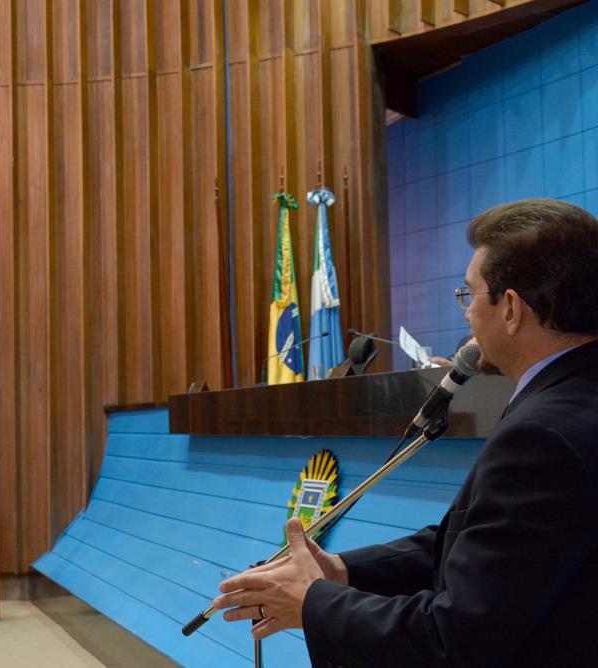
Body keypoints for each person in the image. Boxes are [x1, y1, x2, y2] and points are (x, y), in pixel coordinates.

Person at [212, 198, 598, 667]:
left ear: (512, 309)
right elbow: (478, 544)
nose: (466, 314)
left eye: (470, 294)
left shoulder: (541, 437)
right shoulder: (572, 398)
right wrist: (343, 570)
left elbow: (453, 639)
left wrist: (313, 603)